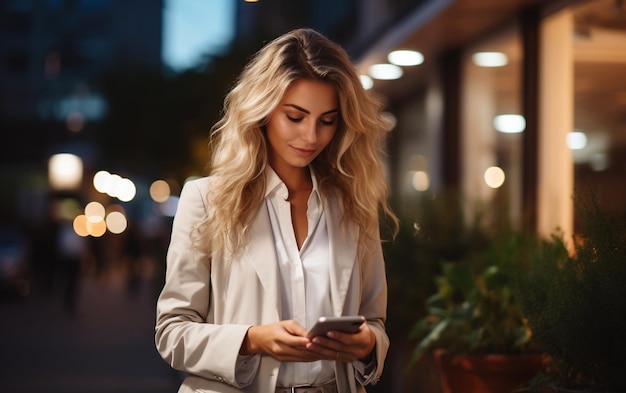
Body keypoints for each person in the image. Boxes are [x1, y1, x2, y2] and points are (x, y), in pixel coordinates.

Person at [155, 28, 398, 393]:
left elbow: (375, 323)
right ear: (264, 111)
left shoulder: (353, 206)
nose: (311, 137)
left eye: (327, 120)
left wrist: (366, 345)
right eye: (296, 117)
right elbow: (172, 333)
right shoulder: (206, 200)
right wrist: (252, 340)